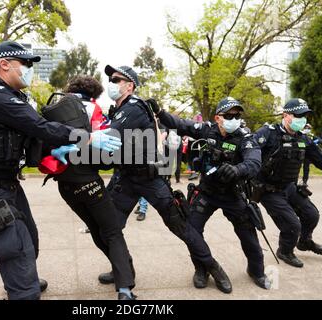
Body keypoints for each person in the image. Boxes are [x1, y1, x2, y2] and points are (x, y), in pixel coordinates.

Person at [0, 41, 119, 300]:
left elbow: (30, 134)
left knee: (29, 237)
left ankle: (25, 279)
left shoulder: (1, 94)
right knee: (15, 245)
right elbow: (40, 126)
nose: (30, 70)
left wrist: (57, 150)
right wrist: (87, 138)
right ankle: (24, 291)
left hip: (5, 181)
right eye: (26, 64)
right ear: (5, 64)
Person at [101, 65, 240, 295]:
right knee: (111, 227)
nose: (111, 82)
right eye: (110, 79)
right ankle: (124, 269)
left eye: (116, 79)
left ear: (130, 85)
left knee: (180, 226)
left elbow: (109, 136)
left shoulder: (134, 107)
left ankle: (212, 266)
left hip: (150, 179)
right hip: (125, 178)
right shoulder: (118, 110)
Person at [153, 96, 271, 291]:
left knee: (248, 234)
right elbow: (180, 124)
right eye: (229, 115)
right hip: (207, 192)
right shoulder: (207, 130)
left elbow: (254, 162)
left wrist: (238, 170)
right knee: (192, 230)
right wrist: (160, 113)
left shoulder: (245, 138)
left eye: (237, 115)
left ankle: (257, 271)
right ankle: (201, 270)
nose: (234, 118)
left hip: (233, 194)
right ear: (218, 118)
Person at [42, 75, 135, 300]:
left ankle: (123, 269)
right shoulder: (93, 109)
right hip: (89, 181)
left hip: (65, 184)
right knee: (112, 232)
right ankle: (125, 287)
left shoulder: (55, 106)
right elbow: (106, 146)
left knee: (95, 229)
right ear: (94, 92)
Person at [253, 99, 322, 268]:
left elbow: (321, 161)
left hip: (289, 187)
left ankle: (304, 241)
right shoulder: (268, 133)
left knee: (312, 215)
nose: (302, 119)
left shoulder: (303, 139)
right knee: (292, 225)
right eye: (298, 115)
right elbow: (248, 154)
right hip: (268, 190)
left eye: (305, 116)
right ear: (285, 115)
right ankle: (285, 251)